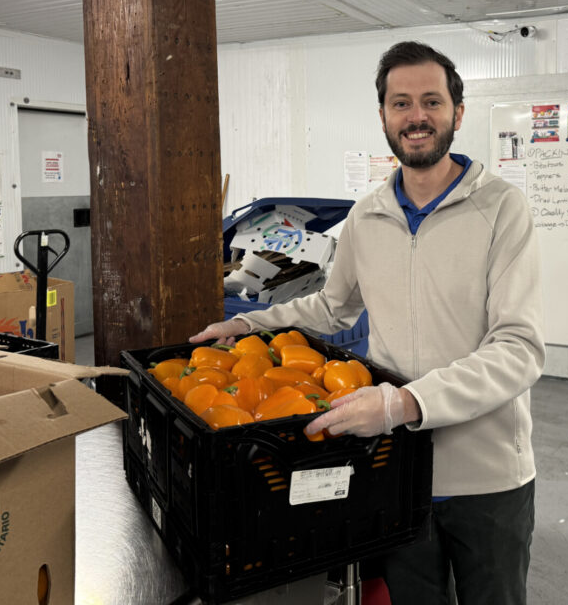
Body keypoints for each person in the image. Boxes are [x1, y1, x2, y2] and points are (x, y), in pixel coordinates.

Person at [190, 40, 545, 605]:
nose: (417, 116)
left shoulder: (501, 208)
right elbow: (331, 308)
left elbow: (519, 347)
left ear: (458, 111)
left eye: (432, 101)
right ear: (383, 116)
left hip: (487, 474)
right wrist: (250, 325)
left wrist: (405, 403)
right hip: (396, 467)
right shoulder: (368, 214)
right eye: (401, 103)